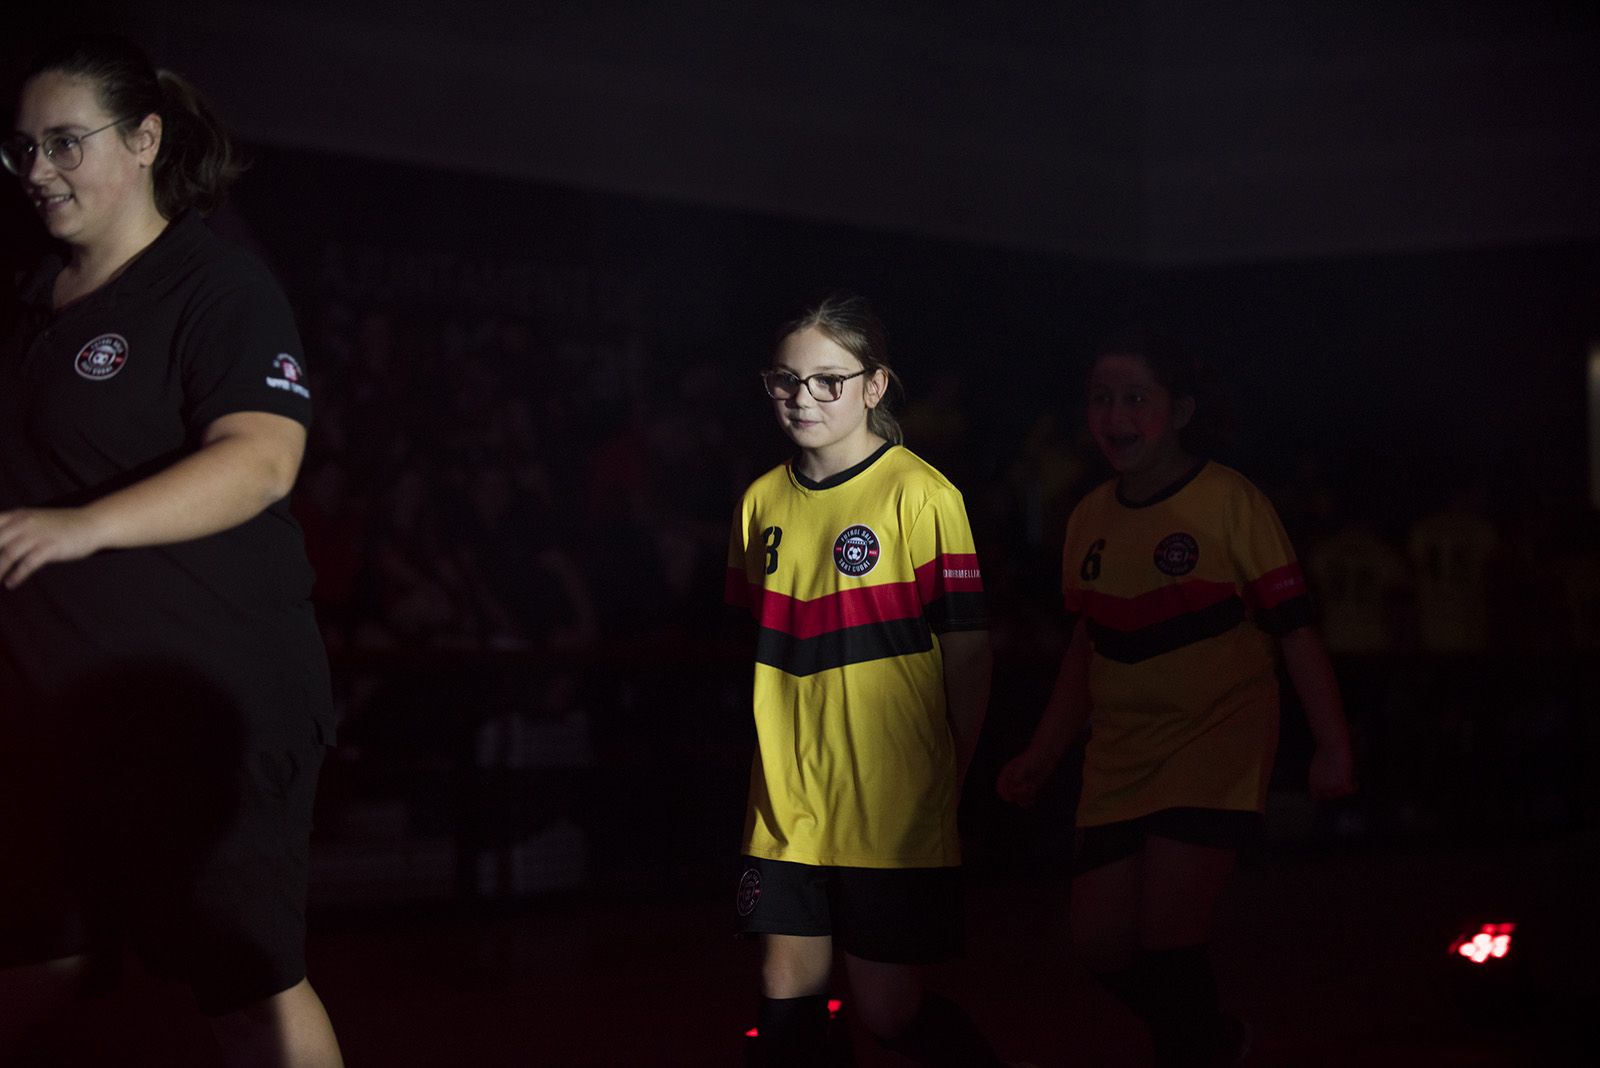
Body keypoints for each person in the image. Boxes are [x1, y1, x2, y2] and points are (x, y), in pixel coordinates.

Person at [0, 34, 342, 1066]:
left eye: (67, 144)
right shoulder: (25, 305)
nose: (39, 173)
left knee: (246, 993)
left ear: (146, 140)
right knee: (28, 969)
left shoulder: (214, 289)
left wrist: (80, 527)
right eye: (21, 150)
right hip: (50, 711)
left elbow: (261, 461)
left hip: (202, 708)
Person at [997, 330, 1355, 1067]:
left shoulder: (1230, 501)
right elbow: (1083, 649)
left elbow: (1294, 629)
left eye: (1136, 398)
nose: (1116, 414)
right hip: (1120, 757)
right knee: (1098, 943)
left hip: (1213, 741)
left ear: (1181, 410)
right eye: (1102, 398)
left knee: (1169, 938)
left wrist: (1333, 743)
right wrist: (1043, 750)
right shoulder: (1088, 516)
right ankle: (1215, 1042)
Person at [725, 294, 1005, 1065]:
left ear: (874, 386)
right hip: (787, 799)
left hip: (889, 799)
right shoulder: (759, 503)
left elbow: (969, 654)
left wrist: (950, 769)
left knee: (887, 1012)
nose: (803, 398)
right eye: (786, 381)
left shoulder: (922, 495)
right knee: (787, 1009)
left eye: (827, 381)